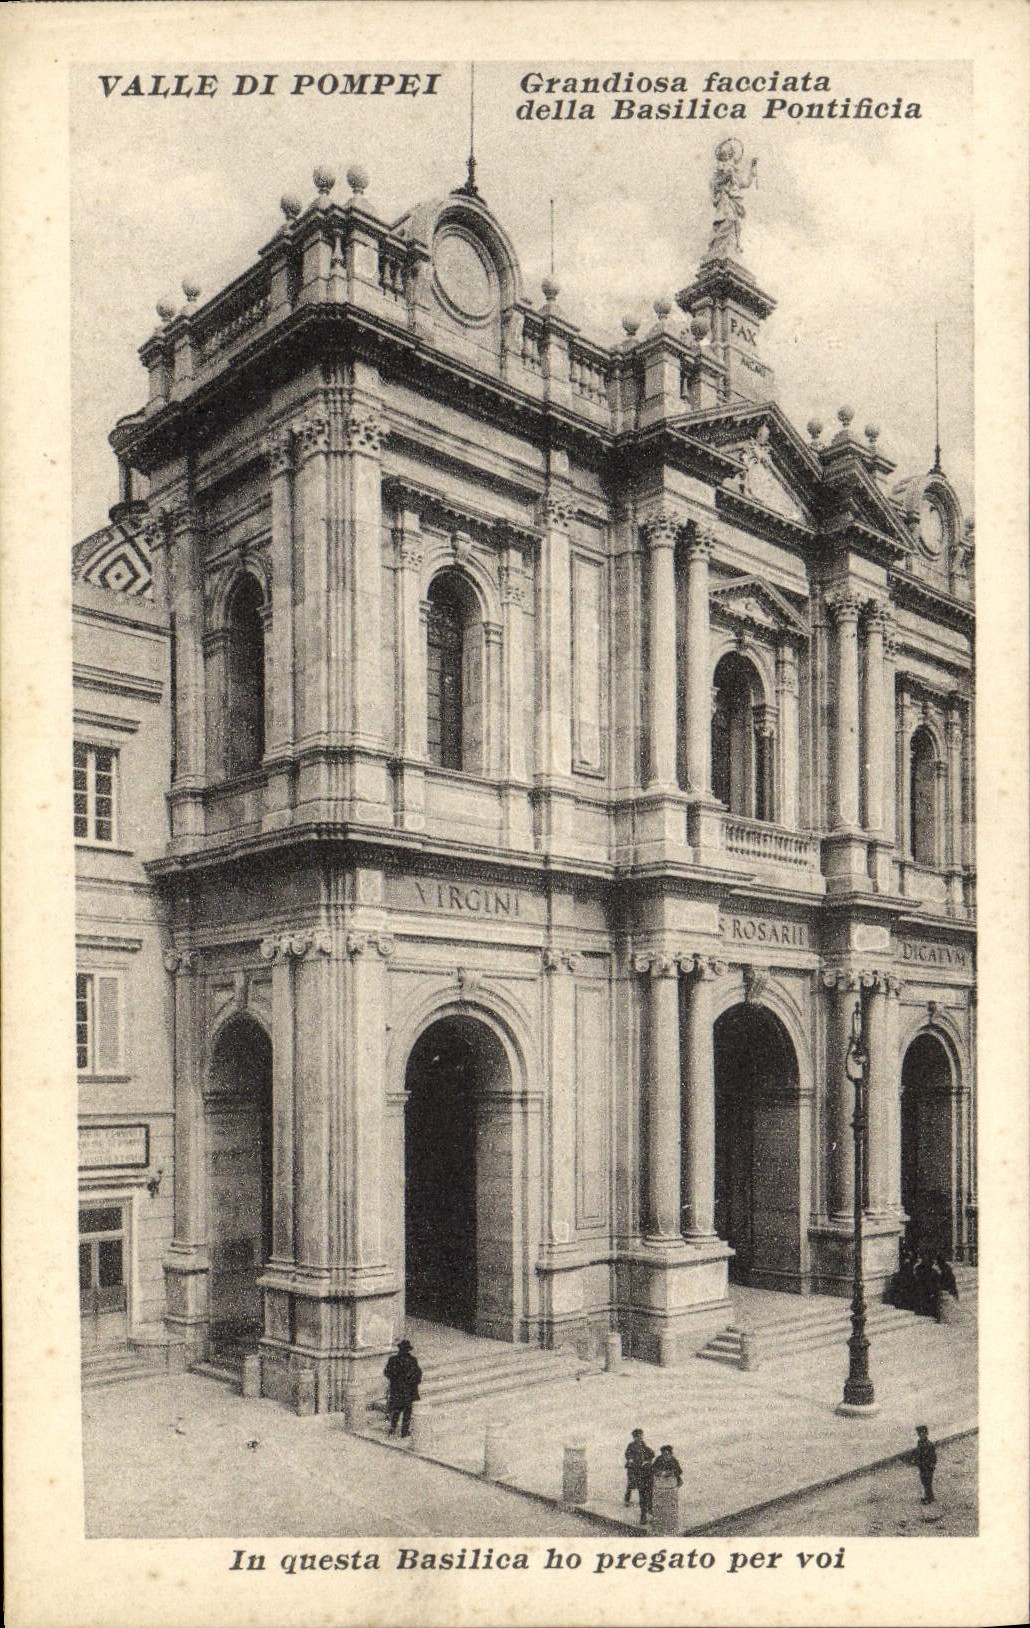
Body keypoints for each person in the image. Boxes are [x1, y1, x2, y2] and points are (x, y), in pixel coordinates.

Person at [384, 1338, 422, 1438]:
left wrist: (394, 1379)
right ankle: (404, 1432)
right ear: (408, 1350)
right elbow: (418, 1374)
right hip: (409, 1391)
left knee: (396, 1410)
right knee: (407, 1412)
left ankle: (392, 1429)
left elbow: (386, 1372)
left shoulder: (393, 1360)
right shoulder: (412, 1360)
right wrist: (412, 1382)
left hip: (396, 1390)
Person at [623, 1428, 655, 1524]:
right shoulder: (631, 1446)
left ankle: (646, 1512)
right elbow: (627, 1454)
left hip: (642, 1470)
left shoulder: (644, 1446)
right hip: (633, 1469)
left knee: (644, 1490)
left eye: (641, 1436)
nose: (639, 1438)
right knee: (631, 1485)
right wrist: (630, 1459)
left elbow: (651, 1453)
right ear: (634, 1437)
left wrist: (647, 1460)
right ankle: (627, 1499)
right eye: (637, 1436)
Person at [913, 1425, 937, 1503]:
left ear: (926, 1433)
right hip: (922, 1466)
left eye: (922, 1433)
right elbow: (918, 1454)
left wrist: (931, 1465)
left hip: (927, 1466)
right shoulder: (919, 1442)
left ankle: (929, 1498)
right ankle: (929, 1496)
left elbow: (933, 1457)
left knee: (928, 1482)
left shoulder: (928, 1444)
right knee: (924, 1482)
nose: (920, 1435)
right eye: (919, 1433)